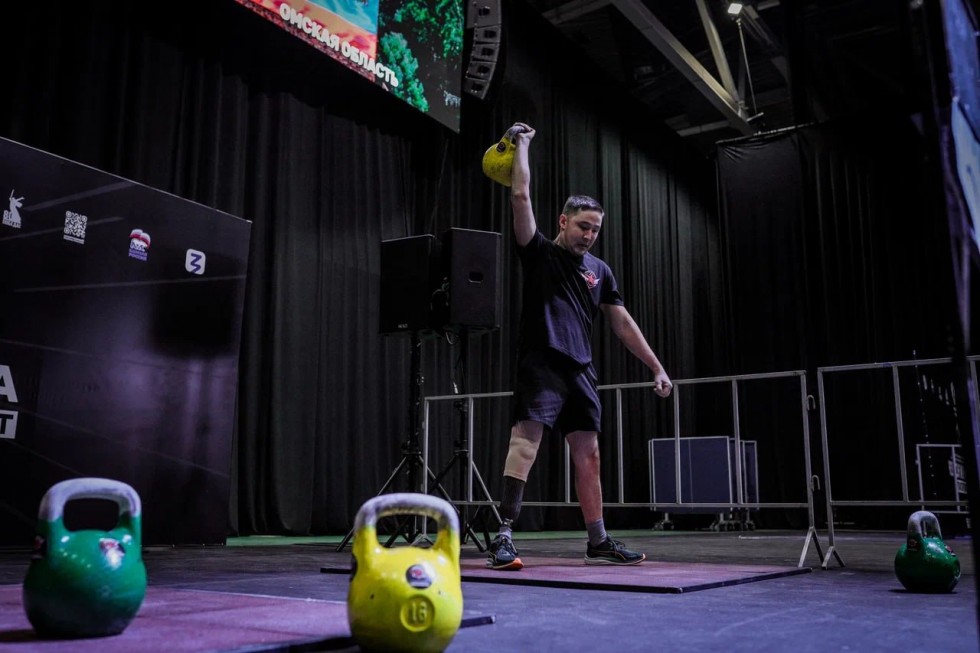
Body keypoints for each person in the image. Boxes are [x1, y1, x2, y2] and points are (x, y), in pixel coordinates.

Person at [487, 121, 673, 571]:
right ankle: (503, 535)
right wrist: (523, 145)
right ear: (563, 222)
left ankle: (598, 541)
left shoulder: (599, 271)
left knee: (588, 453)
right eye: (582, 226)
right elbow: (520, 197)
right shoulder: (538, 251)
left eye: (595, 230)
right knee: (525, 443)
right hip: (541, 361)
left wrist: (656, 366)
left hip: (581, 369)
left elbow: (621, 321)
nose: (588, 235)